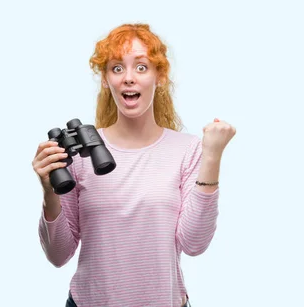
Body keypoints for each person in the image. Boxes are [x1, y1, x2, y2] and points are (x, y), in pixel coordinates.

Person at [32, 23, 236, 307]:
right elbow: (58, 255)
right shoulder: (81, 156)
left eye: (141, 67)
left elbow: (194, 244)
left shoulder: (187, 149)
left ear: (160, 76)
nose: (128, 78)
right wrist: (49, 191)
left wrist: (212, 156)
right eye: (117, 68)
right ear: (105, 80)